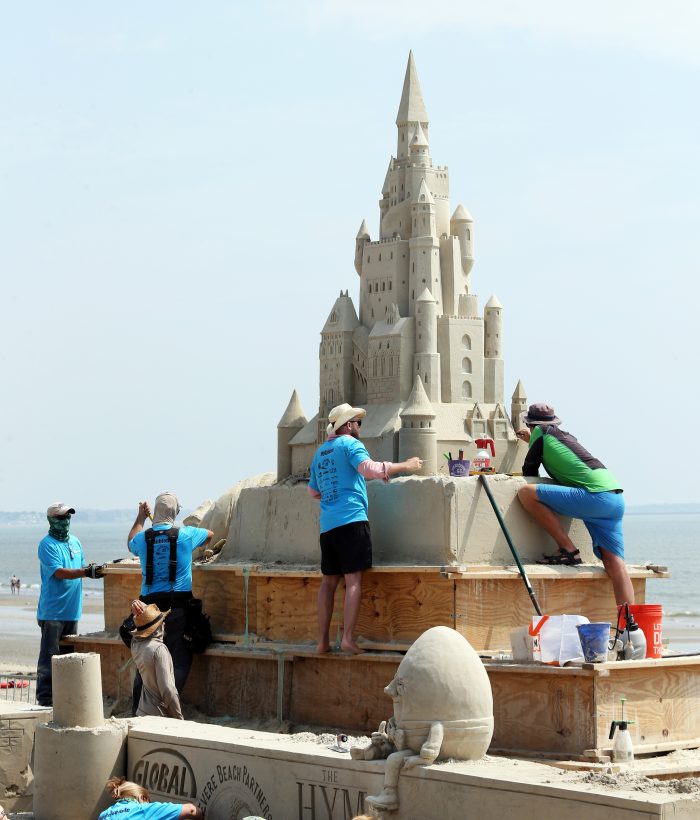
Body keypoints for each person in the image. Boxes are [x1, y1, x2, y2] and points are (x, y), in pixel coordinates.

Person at [308, 403, 423, 654]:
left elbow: (314, 491)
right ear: (347, 425)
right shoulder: (350, 444)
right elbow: (368, 469)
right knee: (353, 581)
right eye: (357, 422)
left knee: (328, 583)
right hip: (351, 520)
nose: (359, 426)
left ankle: (322, 642)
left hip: (328, 526)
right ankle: (348, 638)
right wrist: (406, 465)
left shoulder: (320, 452)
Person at [516, 402, 634, 606]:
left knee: (526, 493)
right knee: (614, 564)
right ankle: (630, 627)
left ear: (530, 424)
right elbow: (563, 454)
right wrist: (532, 441)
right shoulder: (567, 437)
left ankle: (568, 549)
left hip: (594, 497)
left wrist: (532, 440)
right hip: (614, 497)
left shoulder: (540, 433)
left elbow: (530, 472)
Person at [127, 492, 213, 710]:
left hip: (148, 612)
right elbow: (210, 535)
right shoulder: (186, 535)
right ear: (175, 512)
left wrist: (141, 517)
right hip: (178, 608)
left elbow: (130, 542)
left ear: (155, 513)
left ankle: (139, 709)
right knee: (179, 659)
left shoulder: (143, 538)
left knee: (146, 662)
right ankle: (166, 707)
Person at [36, 502, 105, 706]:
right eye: (61, 517)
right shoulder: (46, 544)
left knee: (68, 657)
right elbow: (59, 572)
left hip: (72, 610)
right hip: (52, 612)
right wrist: (86, 572)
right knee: (50, 657)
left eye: (68, 517)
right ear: (51, 520)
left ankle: (65, 697)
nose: (65, 521)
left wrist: (89, 569)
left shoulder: (75, 541)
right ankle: (46, 699)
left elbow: (80, 566)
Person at [129, 601, 183, 719]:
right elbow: (168, 690)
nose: (164, 624)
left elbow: (135, 633)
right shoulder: (159, 649)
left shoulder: (136, 646)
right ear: (158, 627)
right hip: (159, 714)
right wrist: (179, 717)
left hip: (142, 711)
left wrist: (142, 613)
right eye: (162, 622)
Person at [98, 776, 203, 819]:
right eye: (149, 801)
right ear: (142, 798)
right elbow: (191, 810)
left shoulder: (103, 814)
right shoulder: (144, 809)